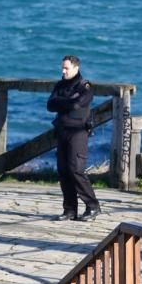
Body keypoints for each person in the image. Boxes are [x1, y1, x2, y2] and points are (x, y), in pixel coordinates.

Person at [47, 54, 101, 222]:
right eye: (62, 68)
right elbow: (50, 105)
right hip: (62, 130)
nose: (63, 71)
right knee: (63, 171)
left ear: (76, 68)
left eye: (66, 68)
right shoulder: (60, 85)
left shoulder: (85, 85)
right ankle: (70, 209)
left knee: (76, 170)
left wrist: (62, 102)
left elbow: (77, 104)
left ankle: (92, 206)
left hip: (78, 132)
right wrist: (67, 101)